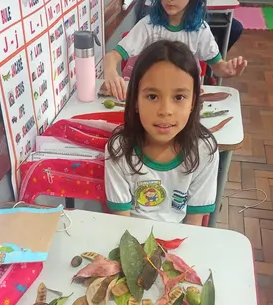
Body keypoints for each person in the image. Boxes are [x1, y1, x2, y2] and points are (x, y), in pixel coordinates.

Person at [104, 40, 219, 225]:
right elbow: (122, 226)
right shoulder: (119, 150)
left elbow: (194, 225)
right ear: (134, 101)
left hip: (179, 241)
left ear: (193, 103)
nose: (165, 110)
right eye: (152, 96)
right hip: (132, 239)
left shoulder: (205, 150)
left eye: (179, 97)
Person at [103, 0, 247, 101]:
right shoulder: (148, 26)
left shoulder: (200, 30)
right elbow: (112, 56)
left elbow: (218, 67)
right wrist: (111, 73)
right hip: (153, 95)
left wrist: (228, 70)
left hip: (183, 97)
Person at [139, 0, 243, 54]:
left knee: (235, 28)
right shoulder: (147, 24)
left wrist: (222, 67)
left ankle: (209, 69)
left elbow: (219, 65)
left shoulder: (201, 29)